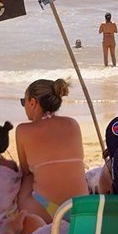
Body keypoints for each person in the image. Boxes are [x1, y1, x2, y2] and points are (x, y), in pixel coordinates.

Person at [15, 79, 88, 221]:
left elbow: (26, 172)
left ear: (33, 102)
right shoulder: (72, 124)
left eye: (24, 102)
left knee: (26, 179)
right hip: (79, 207)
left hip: (45, 208)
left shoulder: (23, 130)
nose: (24, 106)